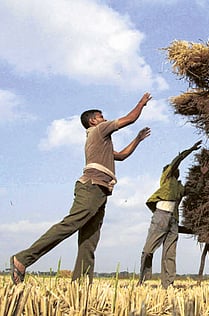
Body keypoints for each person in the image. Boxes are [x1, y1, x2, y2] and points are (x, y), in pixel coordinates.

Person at [10, 92, 153, 285]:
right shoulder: (100, 130)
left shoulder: (100, 141)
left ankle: (81, 284)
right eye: (102, 116)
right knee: (70, 224)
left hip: (101, 190)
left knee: (90, 239)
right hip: (91, 187)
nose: (105, 119)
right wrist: (141, 103)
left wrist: (137, 139)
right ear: (94, 121)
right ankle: (23, 259)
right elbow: (130, 119)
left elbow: (120, 156)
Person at [137, 140, 208, 288]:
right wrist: (190, 149)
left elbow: (195, 191)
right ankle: (142, 279)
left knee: (170, 254)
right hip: (161, 216)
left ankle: (167, 284)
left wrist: (202, 176)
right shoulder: (166, 178)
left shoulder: (180, 187)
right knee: (148, 250)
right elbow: (177, 161)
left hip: (173, 221)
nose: (176, 170)